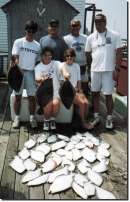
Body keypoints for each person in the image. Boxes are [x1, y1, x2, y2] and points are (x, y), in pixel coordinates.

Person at [85, 14, 122, 129]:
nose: (98, 24)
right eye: (96, 22)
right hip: (95, 70)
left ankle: (109, 118)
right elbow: (87, 53)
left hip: (109, 70)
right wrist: (91, 66)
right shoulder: (90, 37)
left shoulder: (115, 35)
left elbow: (119, 52)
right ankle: (97, 117)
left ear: (105, 22)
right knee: (95, 93)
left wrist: (117, 68)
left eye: (100, 21)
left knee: (108, 95)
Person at [53, 48, 93, 130]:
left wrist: (80, 90)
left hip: (75, 91)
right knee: (82, 103)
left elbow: (78, 80)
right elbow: (61, 82)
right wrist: (67, 79)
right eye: (67, 56)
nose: (69, 57)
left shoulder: (77, 66)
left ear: (74, 57)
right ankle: (83, 123)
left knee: (86, 103)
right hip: (66, 92)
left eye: (71, 56)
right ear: (65, 57)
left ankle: (81, 120)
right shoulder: (62, 65)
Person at [11, 20, 41, 129]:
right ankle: (17, 118)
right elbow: (14, 58)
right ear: (25, 30)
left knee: (32, 97)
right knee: (17, 96)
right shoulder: (18, 42)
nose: (30, 32)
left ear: (35, 32)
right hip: (18, 72)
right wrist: (18, 68)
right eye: (28, 30)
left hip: (31, 73)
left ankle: (32, 118)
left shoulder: (37, 46)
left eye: (32, 31)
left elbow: (38, 63)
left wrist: (38, 76)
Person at [35, 47, 61, 131]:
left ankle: (52, 119)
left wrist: (65, 72)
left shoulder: (56, 63)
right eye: (45, 55)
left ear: (52, 56)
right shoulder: (38, 67)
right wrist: (42, 79)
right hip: (44, 92)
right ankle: (46, 120)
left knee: (56, 104)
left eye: (49, 55)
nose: (47, 57)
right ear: (42, 56)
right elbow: (37, 80)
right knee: (49, 104)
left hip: (55, 91)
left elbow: (63, 66)